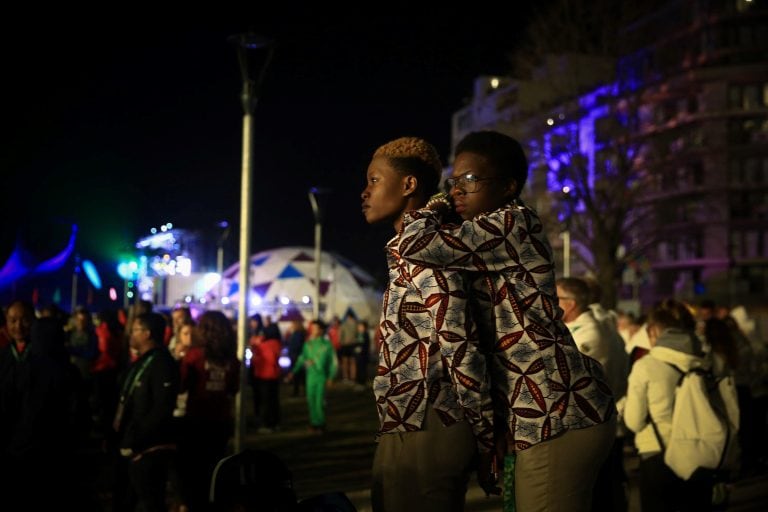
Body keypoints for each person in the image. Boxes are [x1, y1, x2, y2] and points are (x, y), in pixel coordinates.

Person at [395, 130, 616, 511]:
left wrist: (434, 205)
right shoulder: (489, 235)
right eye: (454, 181)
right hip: (543, 411)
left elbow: (414, 244)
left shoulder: (512, 224)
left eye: (470, 180)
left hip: (557, 411)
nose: (457, 192)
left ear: (509, 186)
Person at [361, 136, 494, 512]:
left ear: (408, 185)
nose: (365, 193)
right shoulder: (406, 250)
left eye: (374, 180)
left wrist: (486, 439)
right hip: (404, 420)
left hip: (431, 421)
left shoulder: (430, 251)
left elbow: (460, 346)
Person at [623, 299, 713, 512]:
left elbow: (634, 422)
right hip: (702, 453)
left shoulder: (646, 365)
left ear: (654, 331)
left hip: (658, 454)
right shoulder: (708, 362)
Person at [112, 311, 179, 512]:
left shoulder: (162, 363)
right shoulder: (142, 361)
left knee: (149, 501)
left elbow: (161, 408)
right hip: (131, 443)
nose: (130, 335)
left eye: (135, 330)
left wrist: (136, 440)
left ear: (147, 333)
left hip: (147, 449)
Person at [285, 319, 337, 434]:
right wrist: (293, 371)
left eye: (315, 328)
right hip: (310, 377)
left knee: (319, 402)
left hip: (321, 377)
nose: (313, 330)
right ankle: (314, 423)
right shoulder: (308, 344)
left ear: (321, 330)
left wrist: (331, 377)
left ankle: (321, 424)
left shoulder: (327, 345)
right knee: (311, 401)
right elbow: (301, 359)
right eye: (312, 328)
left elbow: (334, 362)